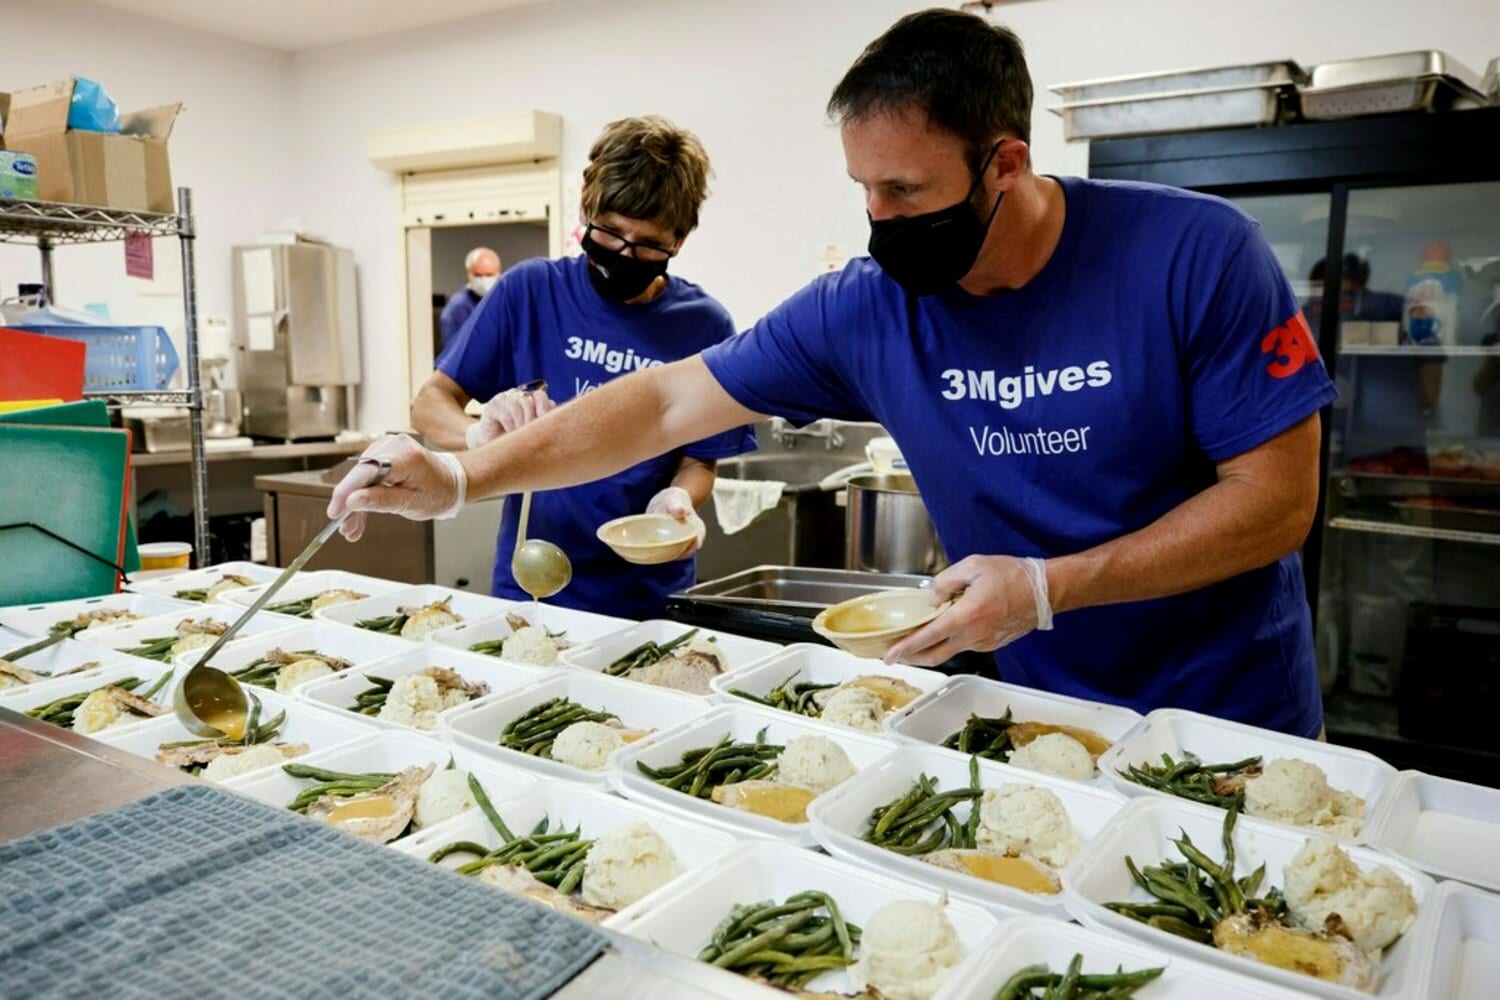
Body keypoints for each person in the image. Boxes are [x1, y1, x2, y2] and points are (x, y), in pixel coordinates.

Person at [332, 9, 1336, 738]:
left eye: (906, 189)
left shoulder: (1195, 255)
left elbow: (1278, 501)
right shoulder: (868, 304)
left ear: (1005, 163)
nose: (882, 221)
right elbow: (667, 399)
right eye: (865, 190)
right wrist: (465, 476)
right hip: (1044, 714)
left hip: (1229, 716)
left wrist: (1050, 586)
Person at [409, 116, 755, 619]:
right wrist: (480, 434)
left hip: (647, 599)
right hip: (533, 586)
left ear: (680, 241)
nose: (623, 254)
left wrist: (678, 501)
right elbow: (429, 404)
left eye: (648, 244)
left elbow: (701, 460)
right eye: (610, 233)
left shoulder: (703, 326)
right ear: (586, 209)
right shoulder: (529, 292)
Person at [438, 247, 502, 347]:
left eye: (489, 275)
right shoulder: (458, 308)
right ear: (469, 274)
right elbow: (455, 352)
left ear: (499, 273)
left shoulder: (504, 300)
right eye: (478, 275)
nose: (484, 280)